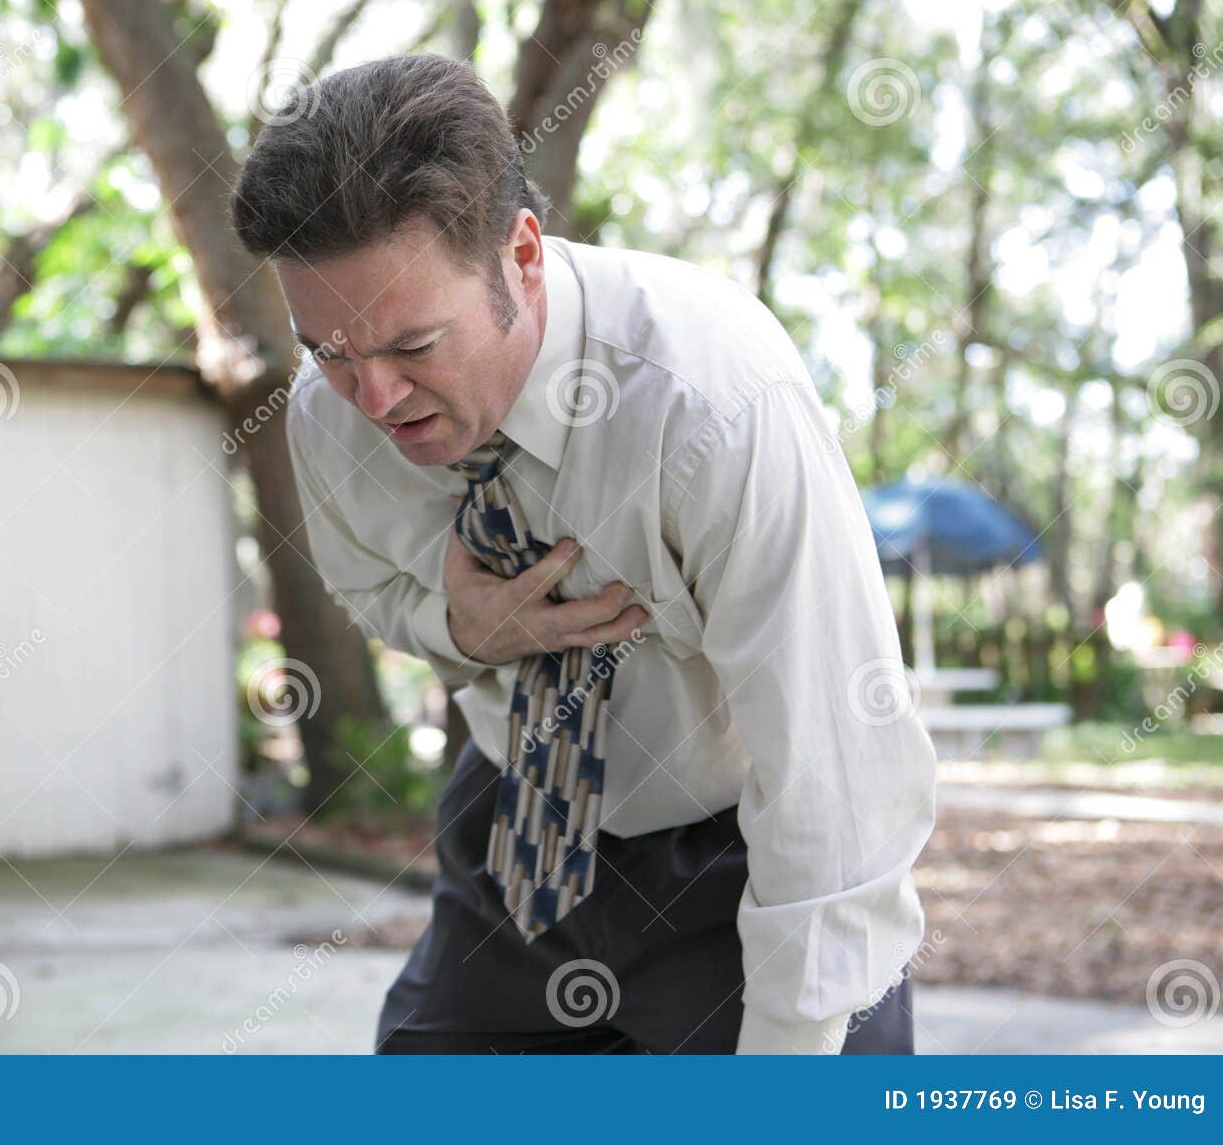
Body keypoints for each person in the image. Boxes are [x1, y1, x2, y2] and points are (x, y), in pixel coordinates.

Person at [229, 53, 936, 1055]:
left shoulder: (714, 401)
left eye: (413, 345)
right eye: (329, 351)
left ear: (520, 254)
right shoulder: (327, 407)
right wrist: (451, 624)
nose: (372, 397)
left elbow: (835, 772)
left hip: (751, 846)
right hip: (515, 824)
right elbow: (364, 582)